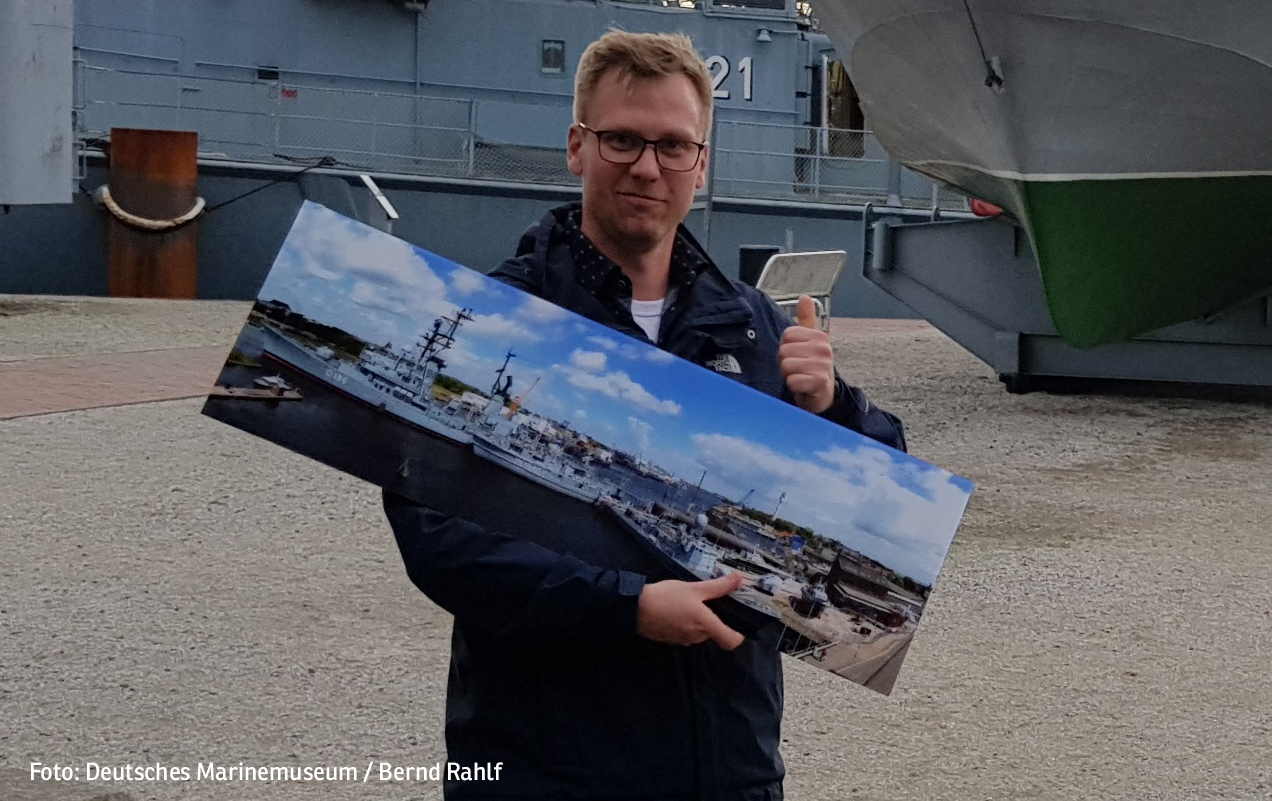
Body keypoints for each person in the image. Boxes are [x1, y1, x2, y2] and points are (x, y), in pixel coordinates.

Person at [383, 30, 906, 801]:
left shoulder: (754, 323)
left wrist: (833, 407)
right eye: (622, 139)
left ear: (701, 162)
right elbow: (439, 540)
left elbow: (884, 512)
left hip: (725, 768)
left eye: (672, 145)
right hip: (542, 770)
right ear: (577, 146)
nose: (646, 166)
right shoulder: (495, 318)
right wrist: (626, 606)